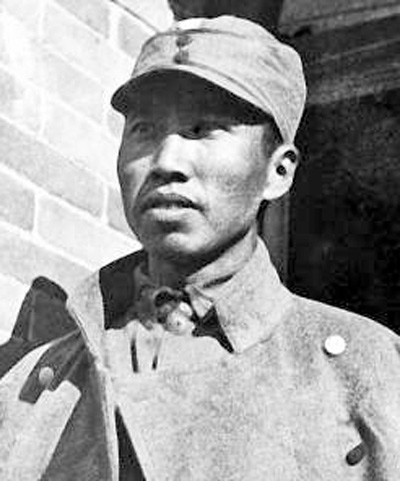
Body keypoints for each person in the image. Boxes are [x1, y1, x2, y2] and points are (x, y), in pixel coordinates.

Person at [1, 15, 400, 481]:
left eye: (202, 129)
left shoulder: (366, 372)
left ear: (278, 172)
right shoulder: (29, 387)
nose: (166, 162)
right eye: (144, 130)